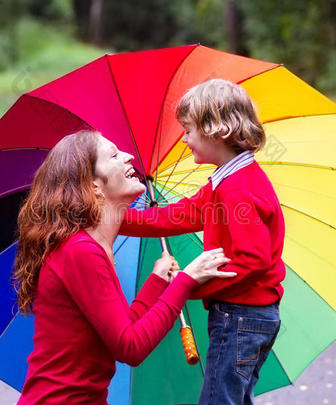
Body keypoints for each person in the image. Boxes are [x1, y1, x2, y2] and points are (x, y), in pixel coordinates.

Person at [12, 130, 236, 405]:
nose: (129, 157)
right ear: (93, 185)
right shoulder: (80, 251)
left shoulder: (89, 247)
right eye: (115, 155)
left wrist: (157, 281)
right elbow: (130, 348)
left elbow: (122, 329)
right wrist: (185, 281)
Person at [120, 79, 286, 404]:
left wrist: (191, 288)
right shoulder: (225, 182)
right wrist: (114, 220)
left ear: (216, 130)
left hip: (240, 317)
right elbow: (176, 216)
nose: (184, 139)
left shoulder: (237, 189)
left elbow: (252, 260)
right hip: (244, 315)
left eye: (188, 130)